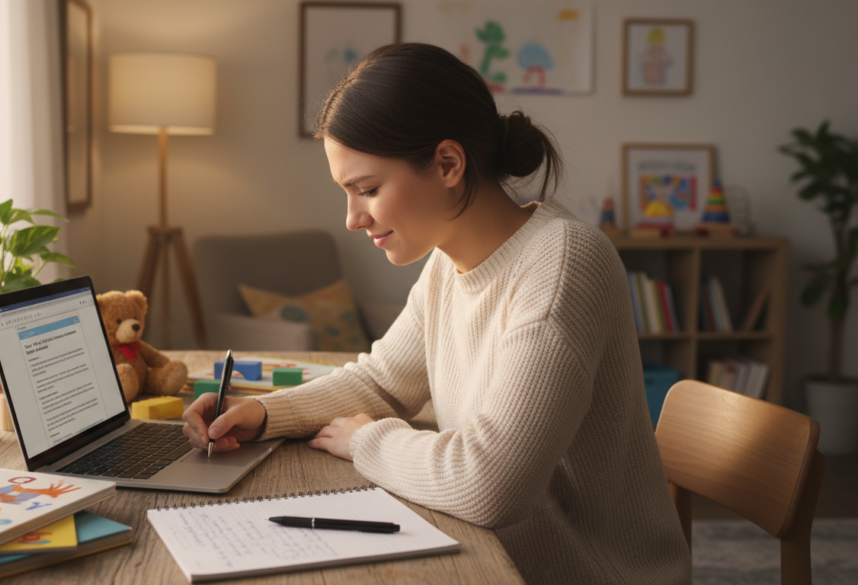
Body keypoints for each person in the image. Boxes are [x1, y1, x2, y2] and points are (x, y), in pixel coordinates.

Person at [183, 42, 691, 584]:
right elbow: (382, 383)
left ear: (448, 163)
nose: (353, 219)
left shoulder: (562, 266)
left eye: (368, 190)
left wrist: (367, 441)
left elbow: (490, 485)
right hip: (494, 554)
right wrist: (263, 414)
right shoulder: (451, 263)